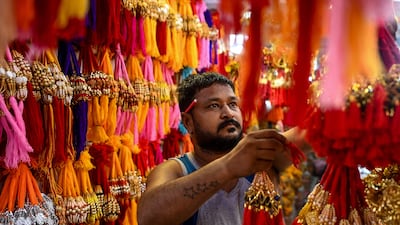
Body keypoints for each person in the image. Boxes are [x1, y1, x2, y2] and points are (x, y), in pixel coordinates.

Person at [137, 72, 305, 225]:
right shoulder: (176, 170)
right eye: (213, 106)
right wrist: (228, 166)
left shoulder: (264, 158)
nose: (228, 113)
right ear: (188, 122)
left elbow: (313, 131)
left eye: (233, 104)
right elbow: (148, 217)